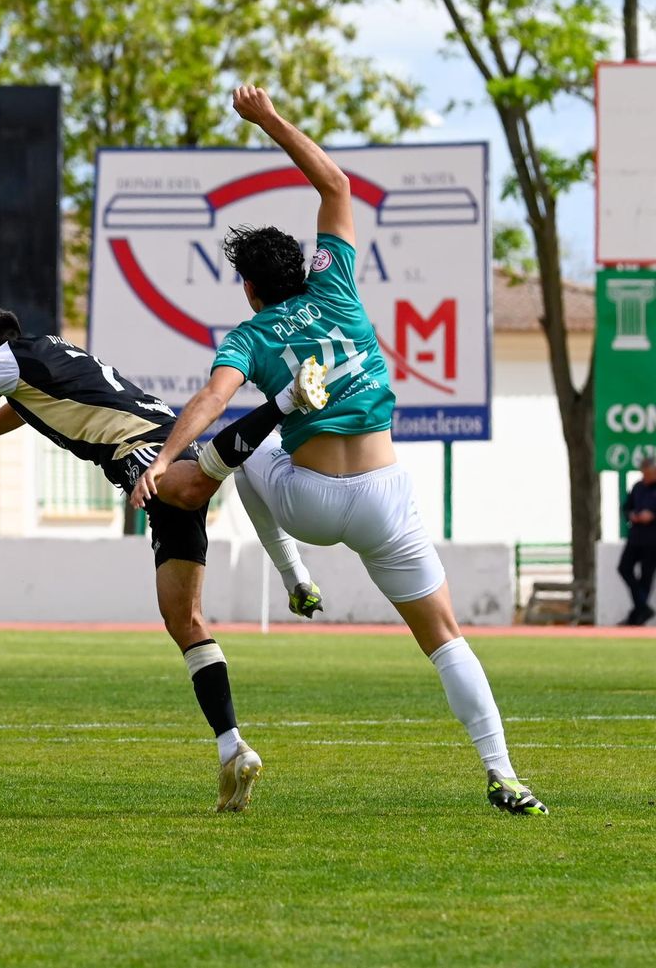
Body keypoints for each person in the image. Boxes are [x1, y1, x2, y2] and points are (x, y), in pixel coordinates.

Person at [129, 84, 547, 816]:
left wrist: (165, 461)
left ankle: (294, 575)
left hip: (312, 504)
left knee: (247, 446)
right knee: (445, 637)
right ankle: (504, 772)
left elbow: (207, 403)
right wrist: (268, 119)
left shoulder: (251, 335)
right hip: (386, 498)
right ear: (305, 264)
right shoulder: (339, 285)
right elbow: (336, 182)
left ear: (251, 287)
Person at [0, 308, 326, 812]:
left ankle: (284, 401)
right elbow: (20, 409)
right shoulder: (44, 357)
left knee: (195, 488)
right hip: (160, 448)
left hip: (144, 451)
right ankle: (231, 748)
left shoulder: (6, 361)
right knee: (185, 620)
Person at [617, 454, 656, 626]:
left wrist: (652, 516)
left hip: (653, 540)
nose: (644, 476)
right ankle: (642, 608)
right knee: (624, 568)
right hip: (636, 537)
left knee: (646, 577)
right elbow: (626, 507)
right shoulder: (638, 487)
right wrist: (631, 515)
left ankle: (637, 616)